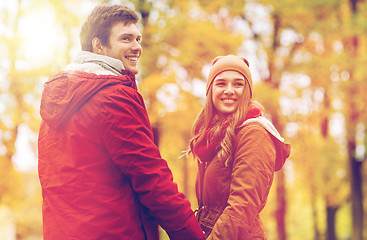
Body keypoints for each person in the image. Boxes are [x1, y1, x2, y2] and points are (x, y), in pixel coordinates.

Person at [38, 4, 205, 240]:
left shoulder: (57, 104)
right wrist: (192, 235)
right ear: (98, 45)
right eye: (126, 39)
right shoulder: (113, 97)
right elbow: (152, 179)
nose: (136, 47)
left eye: (138, 39)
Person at [188, 55, 291, 239]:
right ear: (210, 90)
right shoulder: (214, 136)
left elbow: (242, 207)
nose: (229, 90)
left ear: (247, 91)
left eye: (238, 84)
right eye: (221, 83)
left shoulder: (253, 133)